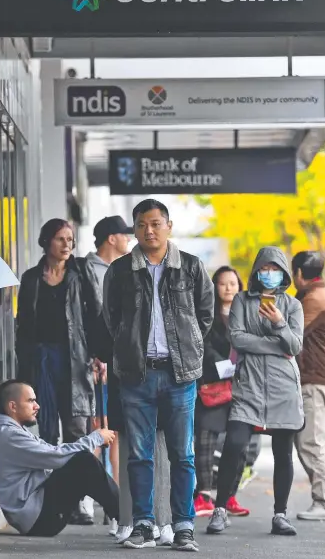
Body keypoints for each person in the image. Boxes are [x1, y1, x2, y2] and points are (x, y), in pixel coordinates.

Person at [103, 198, 214, 551]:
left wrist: (189, 348)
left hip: (180, 375)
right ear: (134, 229)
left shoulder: (192, 267)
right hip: (136, 376)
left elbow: (205, 315)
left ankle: (183, 526)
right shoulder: (120, 270)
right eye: (141, 225)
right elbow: (112, 318)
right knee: (139, 455)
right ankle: (144, 525)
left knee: (183, 455)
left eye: (155, 223)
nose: (148, 230)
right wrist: (126, 351)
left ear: (168, 226)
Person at [208, 246, 304, 537]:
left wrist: (278, 323)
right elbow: (237, 339)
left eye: (276, 269)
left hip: (283, 388)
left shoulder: (292, 306)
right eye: (265, 268)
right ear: (257, 271)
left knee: (282, 452)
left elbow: (295, 346)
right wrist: (276, 346)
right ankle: (220, 509)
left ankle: (280, 514)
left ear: (284, 273)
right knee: (234, 444)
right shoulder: (241, 300)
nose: (270, 274)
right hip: (248, 386)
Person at [16, 218, 104, 525]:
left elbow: (95, 315)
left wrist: (100, 355)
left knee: (77, 429)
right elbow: (23, 328)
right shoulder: (30, 279)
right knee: (45, 432)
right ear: (46, 242)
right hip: (41, 360)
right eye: (60, 239)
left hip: (75, 360)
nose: (67, 244)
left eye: (70, 239)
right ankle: (51, 499)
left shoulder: (81, 273)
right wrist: (22, 370)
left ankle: (81, 500)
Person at [0, 380, 119, 536]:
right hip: (39, 520)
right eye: (31, 401)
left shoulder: (12, 430)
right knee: (84, 462)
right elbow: (56, 456)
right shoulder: (9, 435)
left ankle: (121, 515)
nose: (37, 406)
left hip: (37, 513)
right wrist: (96, 438)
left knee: (81, 462)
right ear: (13, 406)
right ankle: (126, 517)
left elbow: (52, 451)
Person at [87, 215, 132, 531]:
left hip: (116, 364)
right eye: (125, 234)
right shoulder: (86, 271)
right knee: (94, 430)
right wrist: (93, 353)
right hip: (91, 364)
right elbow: (88, 317)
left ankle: (116, 503)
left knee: (115, 434)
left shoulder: (127, 270)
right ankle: (93, 498)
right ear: (111, 238)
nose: (130, 239)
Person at [194, 266, 250, 518]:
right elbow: (201, 343)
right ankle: (203, 495)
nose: (228, 288)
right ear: (214, 286)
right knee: (205, 442)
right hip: (213, 386)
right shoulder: (206, 314)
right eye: (223, 283)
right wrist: (224, 365)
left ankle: (229, 496)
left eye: (233, 283)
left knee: (239, 445)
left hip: (242, 388)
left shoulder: (248, 314)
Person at [292, 251, 325, 521]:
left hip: (313, 380)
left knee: (310, 442)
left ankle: (323, 500)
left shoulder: (310, 299)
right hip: (321, 378)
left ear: (299, 274)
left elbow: (290, 338)